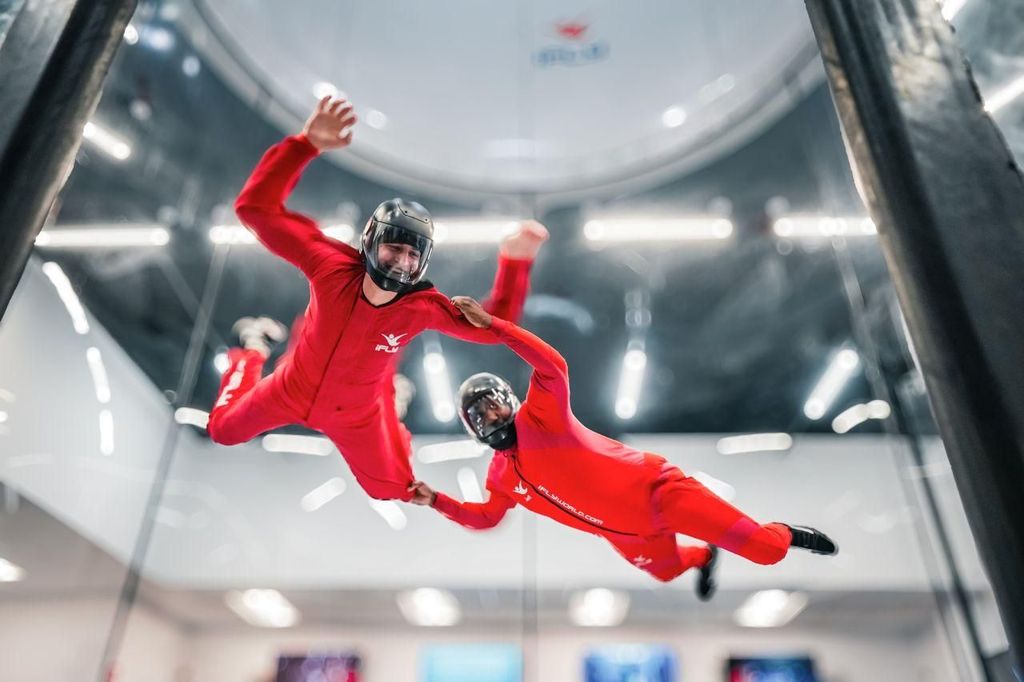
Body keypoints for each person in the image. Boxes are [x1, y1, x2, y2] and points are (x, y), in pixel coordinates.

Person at [206, 95, 546, 502]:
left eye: (412, 254)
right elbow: (255, 209)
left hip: (357, 417)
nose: (402, 261)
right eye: (394, 248)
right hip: (288, 389)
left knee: (392, 491)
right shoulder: (330, 265)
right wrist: (304, 145)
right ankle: (254, 349)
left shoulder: (422, 307)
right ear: (371, 241)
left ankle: (390, 401)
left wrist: (515, 261)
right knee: (222, 430)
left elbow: (495, 328)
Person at [409, 297, 838, 599]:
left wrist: (496, 327)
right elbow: (487, 518)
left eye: (495, 406)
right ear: (471, 428)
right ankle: (704, 556)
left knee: (766, 551)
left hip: (663, 495)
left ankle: (787, 531)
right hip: (628, 536)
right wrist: (436, 501)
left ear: (510, 401)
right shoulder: (500, 475)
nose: (492, 417)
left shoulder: (541, 418)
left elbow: (553, 367)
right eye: (480, 416)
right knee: (669, 573)